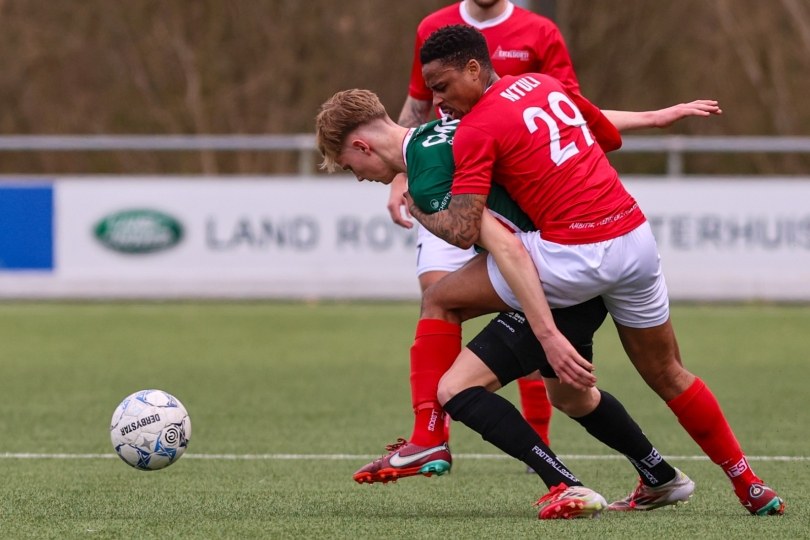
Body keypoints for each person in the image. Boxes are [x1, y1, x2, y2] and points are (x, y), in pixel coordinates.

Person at [411, 24, 785, 516]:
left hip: (576, 254)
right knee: (667, 373)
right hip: (634, 238)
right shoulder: (544, 83)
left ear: (475, 69)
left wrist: (416, 206)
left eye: (442, 87)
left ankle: (431, 433)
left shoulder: (477, 129)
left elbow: (462, 230)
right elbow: (605, 137)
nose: (438, 102)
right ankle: (750, 484)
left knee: (443, 299)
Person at [315, 89, 710, 518]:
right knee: (573, 398)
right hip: (583, 264)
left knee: (454, 380)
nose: (358, 178)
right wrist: (651, 117)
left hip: (557, 282)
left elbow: (506, 248)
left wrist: (545, 330)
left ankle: (554, 481)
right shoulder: (447, 129)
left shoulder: (427, 177)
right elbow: (568, 117)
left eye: (349, 167)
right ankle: (660, 475)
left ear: (362, 146)